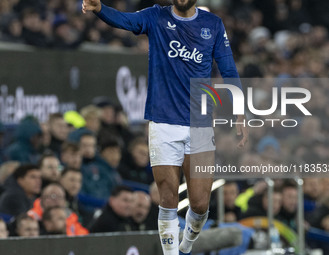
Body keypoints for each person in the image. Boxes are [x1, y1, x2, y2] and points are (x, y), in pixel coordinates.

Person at [82, 1, 248, 254]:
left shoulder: (212, 25)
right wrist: (99, 8)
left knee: (201, 204)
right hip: (163, 122)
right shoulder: (155, 17)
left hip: (200, 124)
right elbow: (124, 20)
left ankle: (188, 244)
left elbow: (228, 67)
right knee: (168, 197)